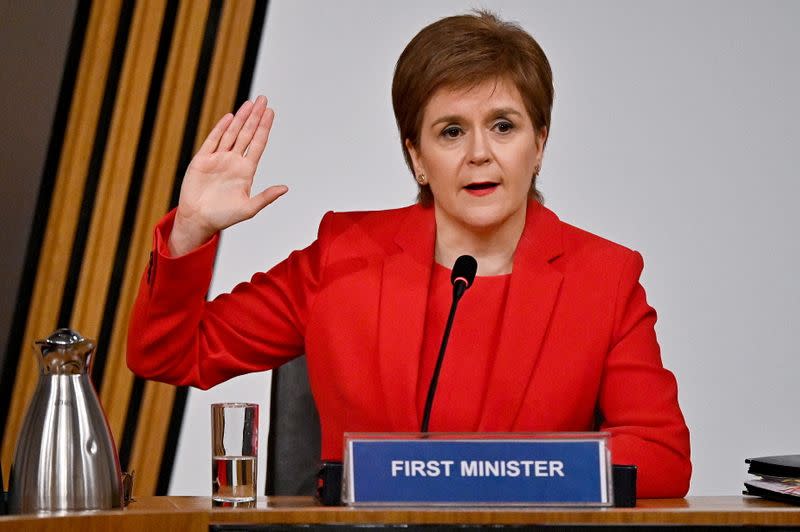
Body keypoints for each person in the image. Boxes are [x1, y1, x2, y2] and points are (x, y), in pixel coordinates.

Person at [127, 11, 691, 498]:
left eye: (503, 126)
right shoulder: (343, 258)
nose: (479, 154)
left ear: (538, 144)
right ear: (416, 157)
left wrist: (493, 477)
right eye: (450, 131)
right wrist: (191, 234)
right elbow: (171, 355)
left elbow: (662, 455)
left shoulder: (605, 279)